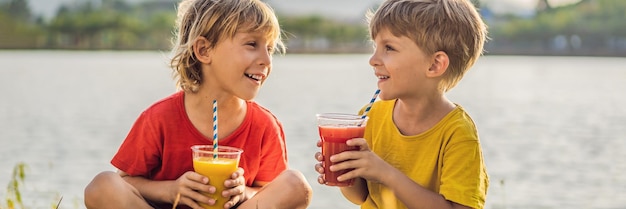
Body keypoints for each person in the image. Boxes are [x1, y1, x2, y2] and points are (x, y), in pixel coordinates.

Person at [84, 0, 312, 208]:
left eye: (269, 48)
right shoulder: (160, 118)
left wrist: (244, 193)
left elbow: (269, 193)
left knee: (295, 184)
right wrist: (171, 190)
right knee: (103, 185)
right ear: (204, 50)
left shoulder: (265, 125)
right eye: (252, 44)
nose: (267, 60)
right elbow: (125, 182)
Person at [314, 0, 489, 208]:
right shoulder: (369, 117)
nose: (373, 59)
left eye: (389, 48)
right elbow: (361, 197)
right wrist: (345, 172)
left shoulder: (457, 132)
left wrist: (385, 172)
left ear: (434, 65)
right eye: (374, 46)